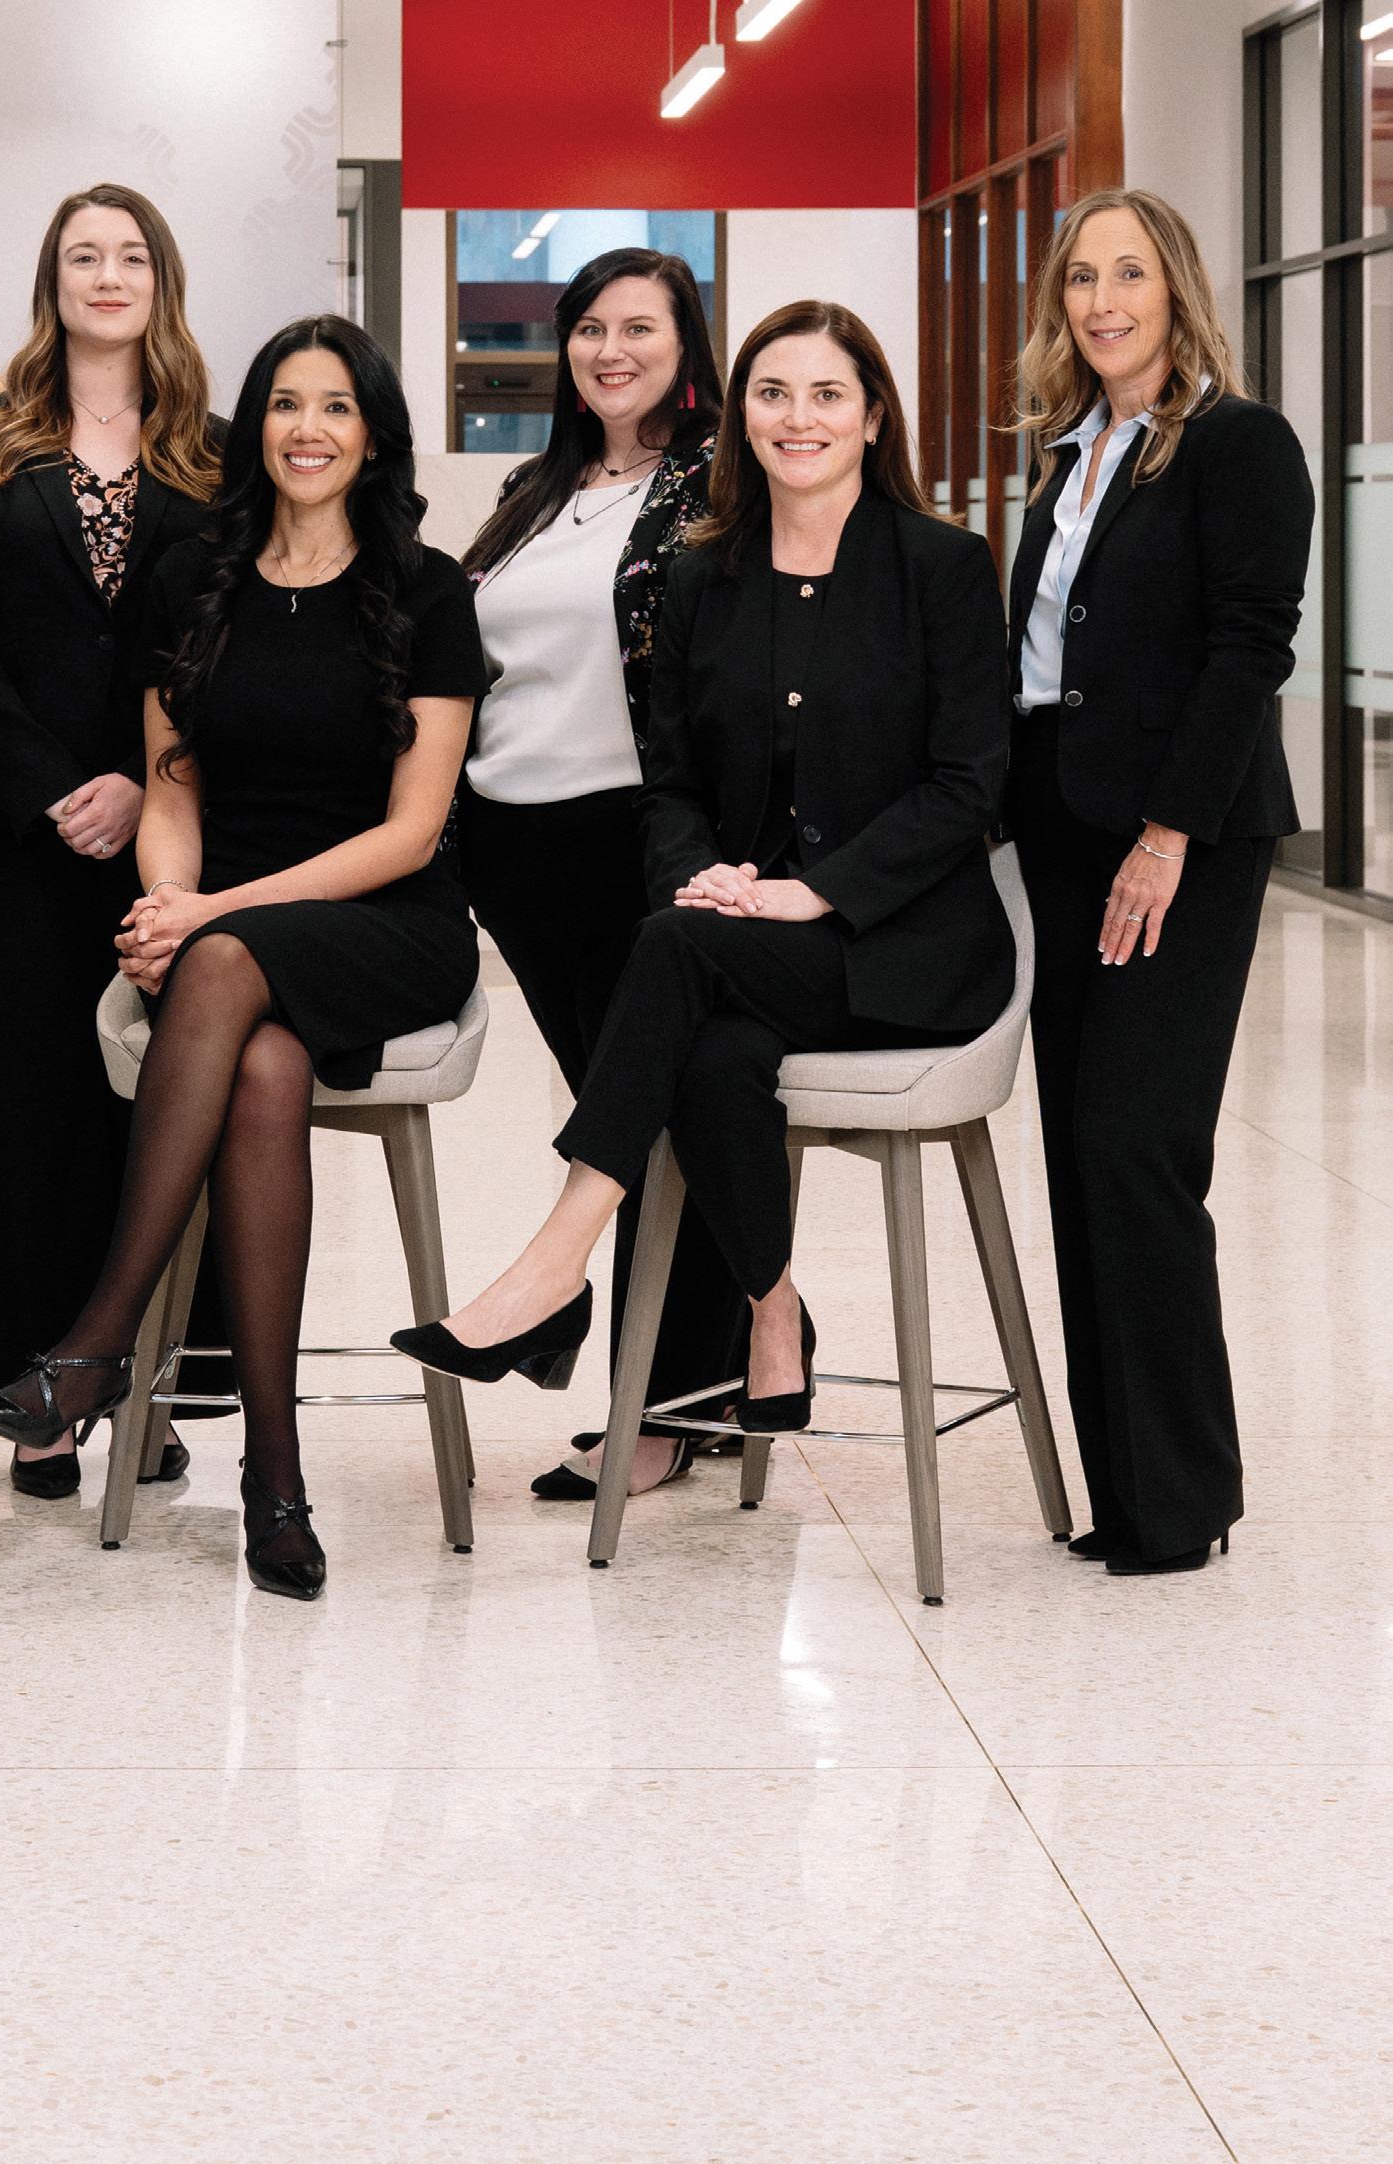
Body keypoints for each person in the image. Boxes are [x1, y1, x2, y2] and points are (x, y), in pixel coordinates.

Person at [398, 304, 1010, 1448]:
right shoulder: (700, 576)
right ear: (740, 417)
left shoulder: (942, 565)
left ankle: (553, 1262)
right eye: (772, 393)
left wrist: (811, 892)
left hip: (907, 951)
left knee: (668, 949)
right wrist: (704, 876)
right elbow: (670, 782)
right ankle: (771, 1314)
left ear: (874, 417)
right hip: (750, 939)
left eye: (826, 394)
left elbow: (967, 785)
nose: (797, 417)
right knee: (713, 1056)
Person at [0, 315, 486, 1603]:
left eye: (337, 407)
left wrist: (210, 915)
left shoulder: (427, 589)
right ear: (256, 427)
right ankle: (274, 1477)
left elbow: (412, 830)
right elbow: (171, 786)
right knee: (259, 1070)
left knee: (229, 965)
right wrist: (169, 896)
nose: (309, 429)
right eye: (286, 403)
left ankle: (97, 1337)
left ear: (374, 436)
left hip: (387, 920)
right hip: (230, 932)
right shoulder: (193, 577)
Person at [1006, 189, 1311, 1576]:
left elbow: (1250, 648)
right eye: (1080, 278)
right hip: (1059, 833)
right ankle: (1125, 1493)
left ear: (1176, 287)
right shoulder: (1065, 459)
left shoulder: (1238, 444)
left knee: (1137, 1145)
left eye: (1128, 273)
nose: (1102, 302)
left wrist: (1167, 833)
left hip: (1177, 837)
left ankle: (1183, 1499)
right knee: (1080, 1155)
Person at [0, 182, 226, 1501]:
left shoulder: (215, 451)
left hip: (171, 821)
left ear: (160, 280)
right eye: (82, 256)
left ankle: (147, 1383)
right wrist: (55, 787)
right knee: (31, 1100)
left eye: (130, 256)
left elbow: (227, 641)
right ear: (50, 281)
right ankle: (29, 1397)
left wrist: (139, 783)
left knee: (159, 1102)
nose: (107, 275)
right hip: (14, 824)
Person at [458, 243, 744, 1507]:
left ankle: (665, 1406)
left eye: (639, 328)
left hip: (637, 839)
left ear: (685, 348)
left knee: (643, 1130)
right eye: (589, 328)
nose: (609, 349)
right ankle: (743, 1349)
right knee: (635, 1118)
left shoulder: (717, 483)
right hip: (515, 851)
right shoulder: (535, 488)